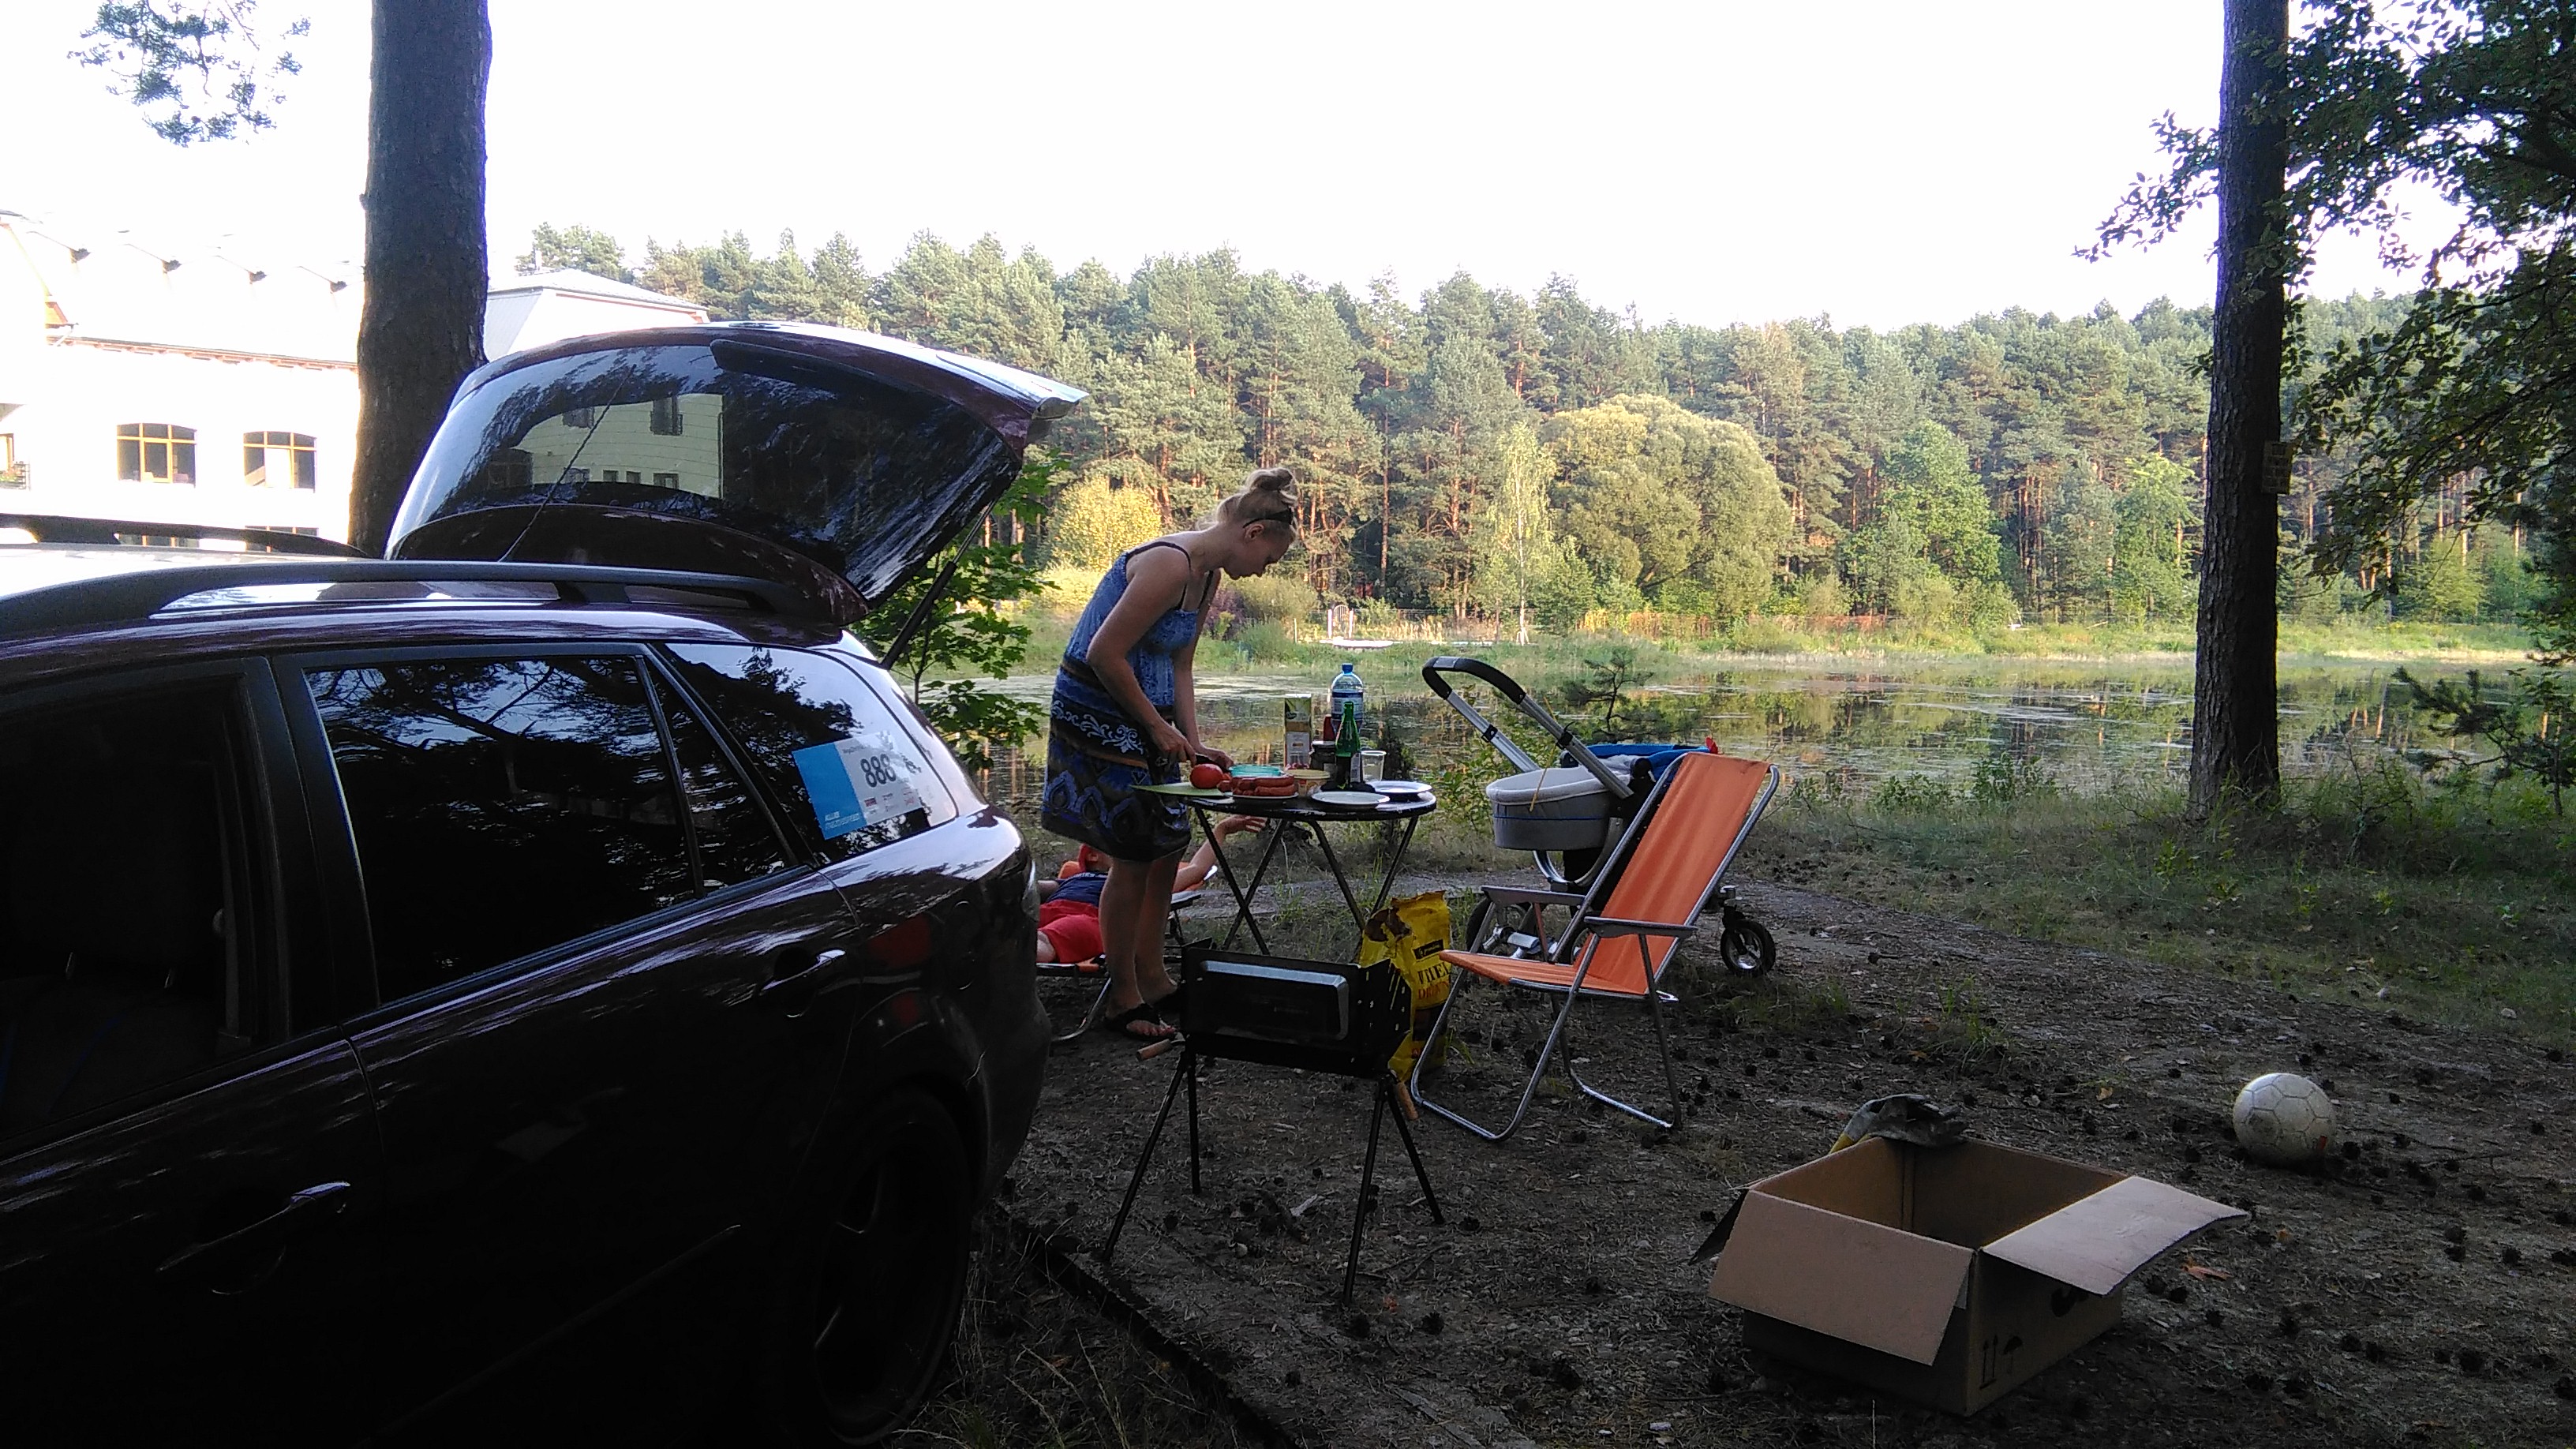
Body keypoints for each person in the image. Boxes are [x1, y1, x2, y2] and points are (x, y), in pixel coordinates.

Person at [1040, 466, 1297, 1038]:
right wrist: (1157, 728)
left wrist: (1193, 739)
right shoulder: (1168, 563)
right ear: (1253, 533)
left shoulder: (1206, 578)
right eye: (1269, 559)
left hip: (1148, 717)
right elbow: (1105, 652)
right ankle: (1122, 997)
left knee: (1166, 847)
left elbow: (1181, 664)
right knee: (1132, 853)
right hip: (1099, 713)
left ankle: (1154, 978)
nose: (1263, 571)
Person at [1035, 814, 1265, 966]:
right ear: (1093, 856)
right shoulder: (1075, 878)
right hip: (1048, 910)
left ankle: (1020, 953)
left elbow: (1197, 869)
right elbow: (1032, 889)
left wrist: (1221, 830)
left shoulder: (1142, 883)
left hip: (1097, 920)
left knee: (1043, 941)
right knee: (1017, 925)